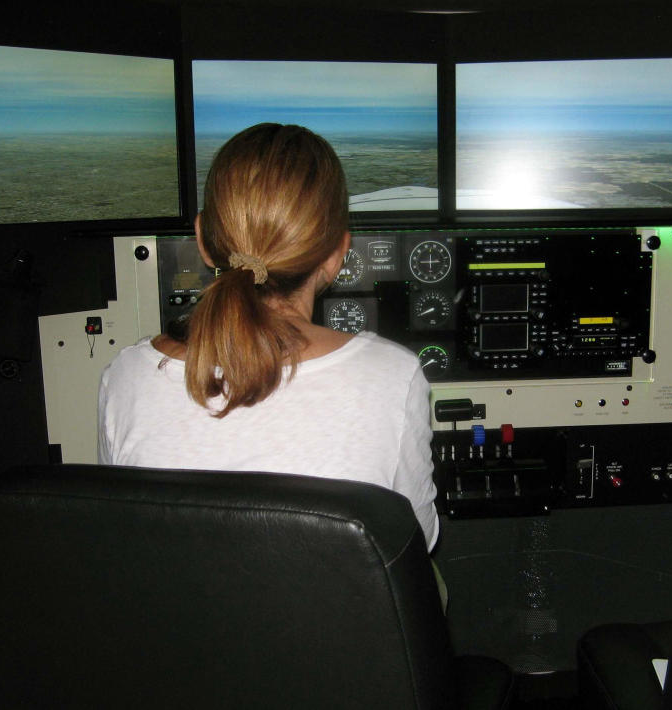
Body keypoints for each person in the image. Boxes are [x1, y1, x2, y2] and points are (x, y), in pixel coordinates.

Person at [98, 123, 439, 550]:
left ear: (203, 240)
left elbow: (123, 538)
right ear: (337, 254)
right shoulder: (394, 376)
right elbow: (415, 542)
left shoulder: (126, 377)